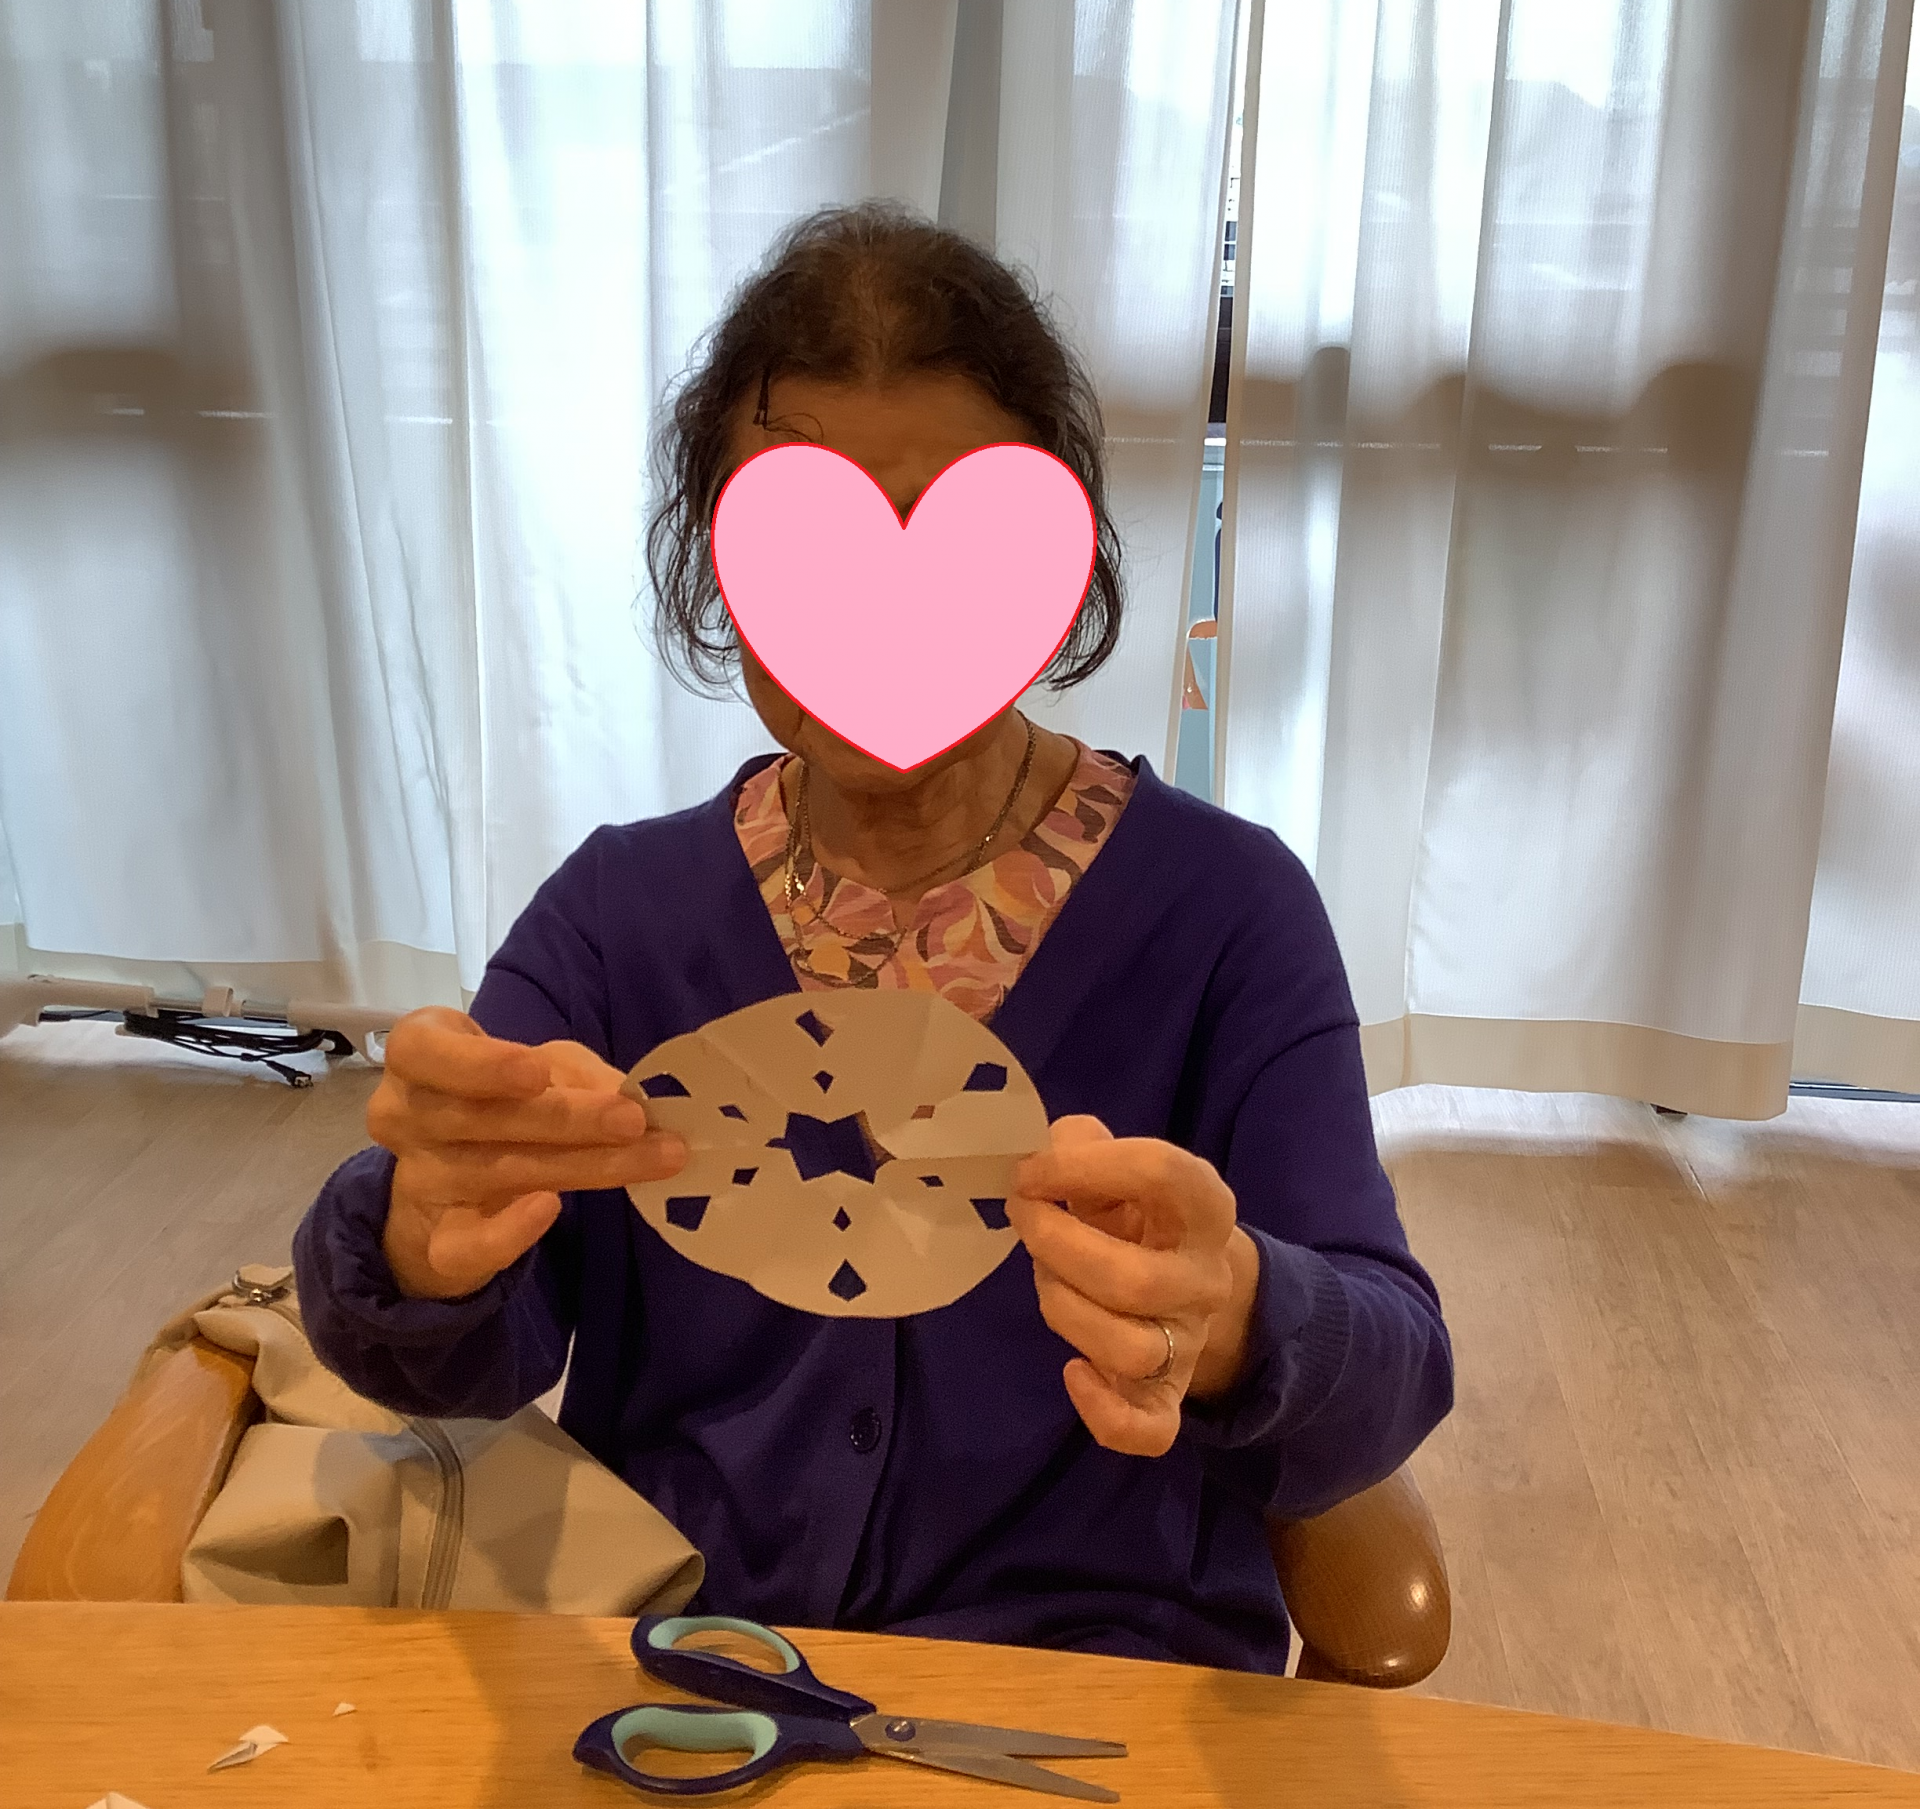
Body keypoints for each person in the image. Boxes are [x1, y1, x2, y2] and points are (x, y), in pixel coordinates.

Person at [293, 201, 1452, 1673]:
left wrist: (1234, 1320)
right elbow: (457, 1361)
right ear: (723, 575)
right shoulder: (617, 919)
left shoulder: (1226, 911)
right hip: (684, 1679)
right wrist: (419, 1242)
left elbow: (1392, 1360)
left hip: (1095, 1696)